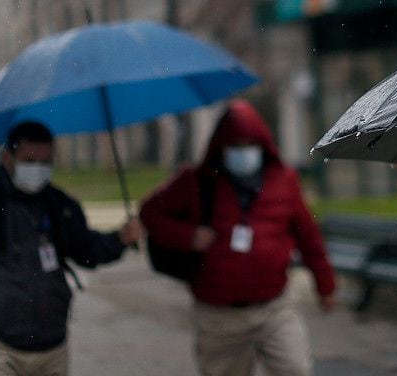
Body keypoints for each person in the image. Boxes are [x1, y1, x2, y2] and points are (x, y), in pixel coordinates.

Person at [140, 99, 336, 376]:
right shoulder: (197, 181)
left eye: (249, 145)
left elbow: (309, 237)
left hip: (274, 308)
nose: (243, 153)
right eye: (236, 146)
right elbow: (150, 213)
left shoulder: (283, 180)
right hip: (218, 316)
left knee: (296, 369)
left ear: (262, 144)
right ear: (221, 147)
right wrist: (188, 236)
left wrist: (325, 285)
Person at [0, 121, 141, 376]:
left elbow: (87, 251)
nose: (38, 169)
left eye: (45, 162)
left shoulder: (60, 206)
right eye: (29, 161)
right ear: (8, 157)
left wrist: (120, 238)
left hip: (52, 348)